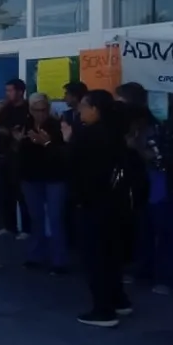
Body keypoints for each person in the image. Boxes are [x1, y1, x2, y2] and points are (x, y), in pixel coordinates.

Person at [63, 90, 133, 327]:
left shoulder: (88, 135)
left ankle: (104, 310)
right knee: (111, 255)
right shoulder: (116, 133)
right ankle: (118, 299)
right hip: (115, 204)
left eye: (84, 106)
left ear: (96, 109)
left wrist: (66, 140)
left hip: (93, 204)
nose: (80, 111)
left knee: (95, 258)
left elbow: (74, 166)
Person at [116, 82, 173, 295]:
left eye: (120, 102)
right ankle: (143, 271)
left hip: (162, 186)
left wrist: (136, 148)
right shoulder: (130, 126)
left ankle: (167, 279)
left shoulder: (151, 128)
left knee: (164, 233)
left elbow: (161, 161)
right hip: (143, 186)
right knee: (144, 231)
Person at [15, 93, 69, 275]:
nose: (41, 114)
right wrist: (18, 142)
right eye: (37, 110)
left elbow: (63, 153)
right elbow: (16, 153)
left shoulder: (57, 125)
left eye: (44, 110)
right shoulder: (24, 124)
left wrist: (45, 142)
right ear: (30, 110)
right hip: (31, 177)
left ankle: (59, 260)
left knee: (55, 218)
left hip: (54, 176)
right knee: (36, 217)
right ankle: (35, 255)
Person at [0, 78, 32, 238]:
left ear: (20, 91)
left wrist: (13, 134)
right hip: (4, 153)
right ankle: (9, 225)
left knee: (21, 193)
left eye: (11, 90)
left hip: (21, 155)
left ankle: (26, 228)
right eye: (7, 90)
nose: (8, 94)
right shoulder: (5, 108)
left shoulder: (28, 109)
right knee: (5, 193)